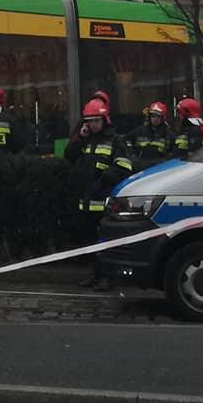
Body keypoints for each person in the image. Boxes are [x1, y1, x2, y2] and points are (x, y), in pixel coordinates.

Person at [64, 97, 133, 289]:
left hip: (103, 201)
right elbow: (69, 155)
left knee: (106, 242)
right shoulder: (87, 139)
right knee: (90, 241)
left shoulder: (116, 141)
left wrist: (104, 180)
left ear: (104, 120)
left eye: (95, 120)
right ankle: (95, 274)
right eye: (89, 121)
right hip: (85, 201)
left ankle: (108, 278)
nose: (92, 124)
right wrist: (80, 137)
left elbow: (124, 166)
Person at [134, 101, 177, 166]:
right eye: (153, 116)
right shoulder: (140, 130)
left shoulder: (168, 133)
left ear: (162, 118)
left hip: (160, 166)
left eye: (158, 116)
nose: (155, 119)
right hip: (141, 165)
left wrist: (165, 159)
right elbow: (125, 141)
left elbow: (174, 152)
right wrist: (133, 156)